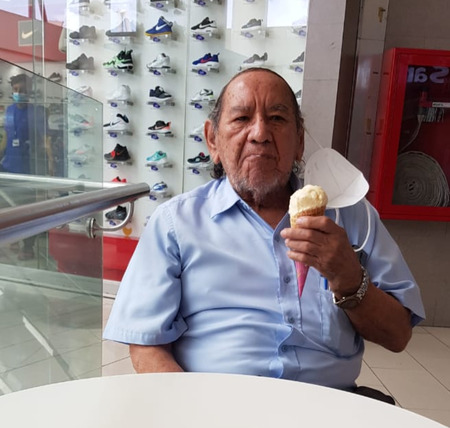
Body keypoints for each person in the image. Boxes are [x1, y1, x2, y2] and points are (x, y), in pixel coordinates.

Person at [104, 68, 425, 394]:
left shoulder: (351, 214)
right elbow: (146, 345)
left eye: (277, 119)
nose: (260, 133)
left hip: (329, 406)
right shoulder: (175, 223)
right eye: (242, 118)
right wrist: (193, 411)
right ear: (212, 140)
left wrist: (349, 279)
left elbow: (398, 336)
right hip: (217, 406)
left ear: (300, 141)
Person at [0, 73, 52, 259]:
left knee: (28, 209)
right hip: (9, 165)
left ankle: (28, 246)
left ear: (30, 91)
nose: (19, 93)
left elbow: (45, 140)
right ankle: (12, 237)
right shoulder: (9, 111)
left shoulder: (37, 112)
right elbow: (7, 137)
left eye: (22, 90)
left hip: (28, 167)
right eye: (16, 90)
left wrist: (51, 164)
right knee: (8, 205)